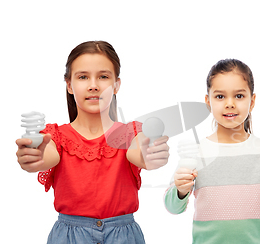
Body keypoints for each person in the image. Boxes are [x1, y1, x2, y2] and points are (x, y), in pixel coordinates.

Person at [15, 41, 170, 244]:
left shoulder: (131, 133)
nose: (94, 85)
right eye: (83, 77)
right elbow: (47, 156)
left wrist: (149, 153)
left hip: (123, 238)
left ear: (116, 85)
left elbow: (138, 152)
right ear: (69, 85)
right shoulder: (54, 136)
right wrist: (34, 157)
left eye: (103, 77)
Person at [164, 59, 260, 243]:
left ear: (252, 100)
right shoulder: (195, 152)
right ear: (208, 101)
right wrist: (180, 191)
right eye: (220, 96)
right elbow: (172, 207)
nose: (230, 104)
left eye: (239, 96)